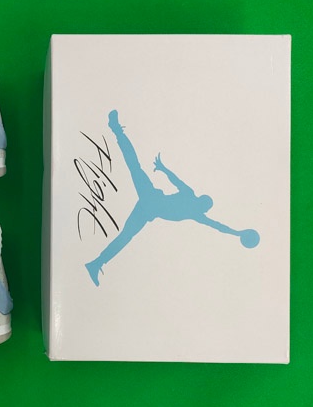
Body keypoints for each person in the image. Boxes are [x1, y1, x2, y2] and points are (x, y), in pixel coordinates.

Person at [86, 110, 259, 286]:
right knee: (134, 166)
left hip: (147, 210)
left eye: (205, 207)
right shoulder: (191, 201)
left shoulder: (195, 211)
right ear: (201, 201)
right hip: (150, 198)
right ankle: (116, 128)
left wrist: (237, 233)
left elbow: (218, 226)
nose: (204, 209)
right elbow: (176, 181)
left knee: (125, 235)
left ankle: (96, 264)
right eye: (205, 205)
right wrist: (163, 168)